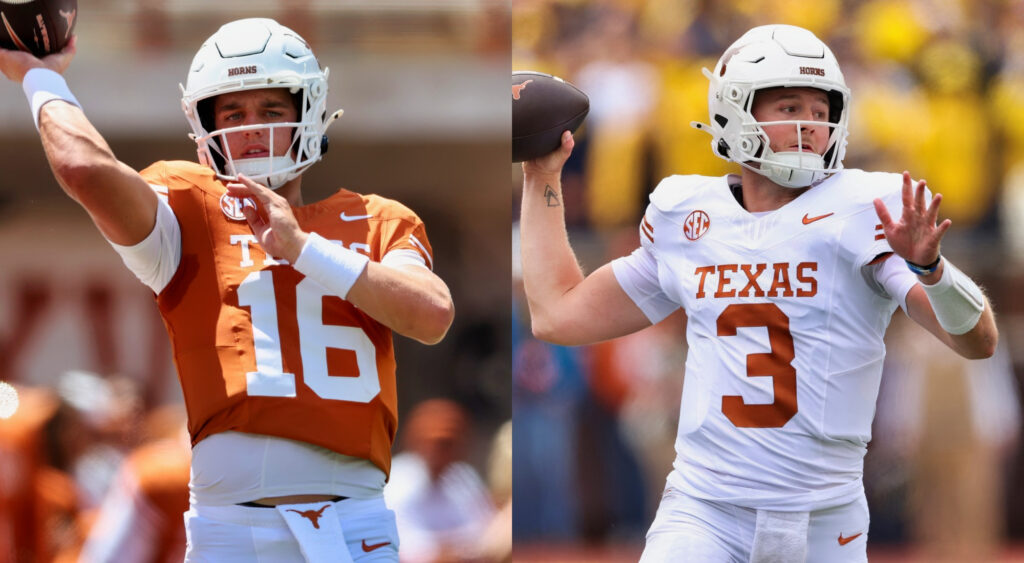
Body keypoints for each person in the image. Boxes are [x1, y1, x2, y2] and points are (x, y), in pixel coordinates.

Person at [518, 24, 997, 562]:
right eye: (790, 107)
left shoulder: (866, 207)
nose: (810, 126)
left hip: (823, 519)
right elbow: (559, 315)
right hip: (704, 510)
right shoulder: (688, 216)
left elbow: (976, 341)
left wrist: (931, 269)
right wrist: (543, 177)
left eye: (821, 111)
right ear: (734, 109)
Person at [0, 17, 454, 562]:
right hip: (231, 533)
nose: (251, 129)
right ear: (204, 126)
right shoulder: (189, 207)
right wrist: (40, 78)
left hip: (355, 529)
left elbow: (431, 313)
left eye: (271, 110)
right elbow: (83, 167)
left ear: (307, 113)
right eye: (233, 113)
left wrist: (303, 248)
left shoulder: (379, 219)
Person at [383, 399, 495, 562]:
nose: (438, 451)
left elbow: (488, 532)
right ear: (414, 440)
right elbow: (409, 551)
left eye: (450, 443)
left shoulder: (464, 477)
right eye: (436, 442)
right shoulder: (395, 483)